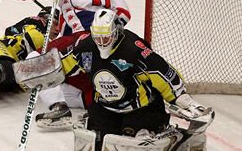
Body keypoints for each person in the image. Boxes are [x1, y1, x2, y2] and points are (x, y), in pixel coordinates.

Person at [11, 0, 131, 128]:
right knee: (69, 91)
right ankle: (104, 103)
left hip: (80, 40)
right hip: (107, 44)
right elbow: (124, 13)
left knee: (33, 61)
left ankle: (58, 107)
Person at [63, 9, 213, 150]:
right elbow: (64, 66)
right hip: (105, 107)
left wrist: (181, 98)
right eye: (98, 37)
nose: (102, 42)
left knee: (133, 142)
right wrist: (46, 73)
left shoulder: (133, 49)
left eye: (106, 37)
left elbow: (161, 72)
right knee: (95, 138)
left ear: (116, 32)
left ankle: (177, 138)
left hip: (142, 109)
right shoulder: (85, 47)